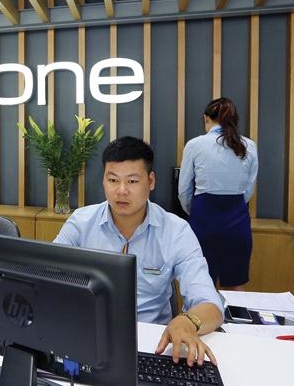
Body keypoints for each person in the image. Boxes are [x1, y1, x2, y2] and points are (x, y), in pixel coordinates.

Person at [54, 136, 224, 365]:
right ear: (103, 180)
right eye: (113, 180)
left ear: (151, 181)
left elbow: (211, 305)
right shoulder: (81, 223)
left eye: (132, 181)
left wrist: (186, 321)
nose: (121, 190)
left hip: (152, 346)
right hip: (89, 341)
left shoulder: (176, 231)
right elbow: (48, 279)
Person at [178, 98, 258, 291]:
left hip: (203, 219)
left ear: (206, 118)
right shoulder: (249, 145)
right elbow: (249, 189)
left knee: (201, 284)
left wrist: (194, 211)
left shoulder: (195, 145)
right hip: (237, 219)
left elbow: (183, 190)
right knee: (237, 284)